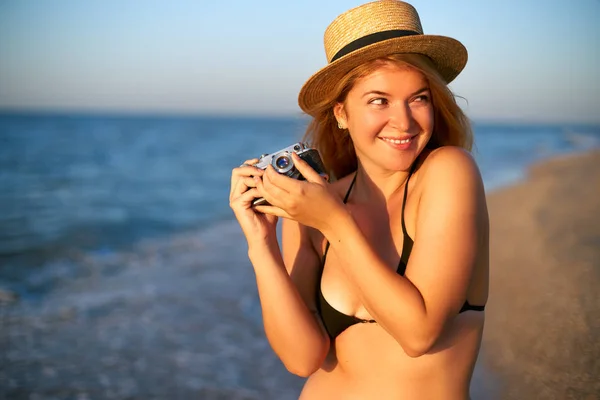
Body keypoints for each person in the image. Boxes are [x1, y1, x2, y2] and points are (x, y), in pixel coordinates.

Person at [229, 0, 489, 398]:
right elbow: (302, 358)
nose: (403, 122)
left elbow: (418, 334)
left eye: (418, 98)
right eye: (379, 101)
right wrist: (261, 245)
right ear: (341, 113)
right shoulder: (313, 204)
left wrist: (335, 222)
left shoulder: (448, 173)